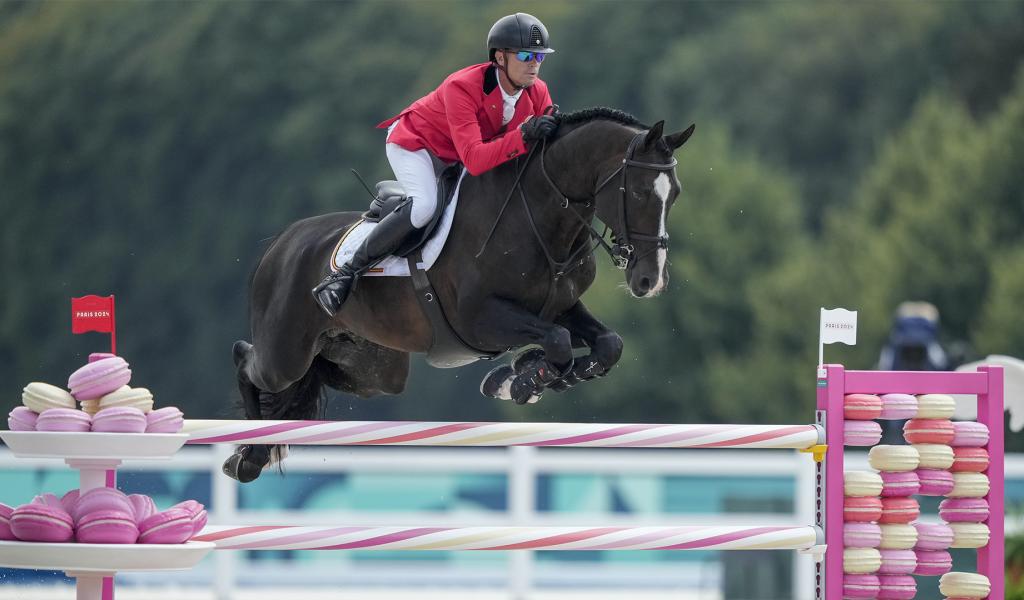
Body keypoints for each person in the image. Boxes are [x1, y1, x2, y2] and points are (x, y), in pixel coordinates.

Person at [313, 12, 559, 316]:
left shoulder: (538, 91)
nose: (534, 63)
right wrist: (524, 136)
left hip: (459, 155)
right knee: (425, 205)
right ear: (499, 57)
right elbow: (477, 159)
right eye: (525, 54)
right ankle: (345, 274)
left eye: (539, 56)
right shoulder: (462, 86)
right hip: (417, 145)